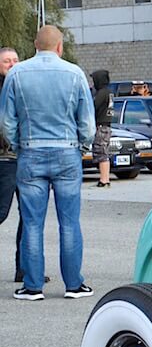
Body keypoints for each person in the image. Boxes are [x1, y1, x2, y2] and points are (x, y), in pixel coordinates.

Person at [0, 25, 95, 300]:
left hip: (31, 153)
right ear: (60, 47)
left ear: (34, 44)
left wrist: (20, 144)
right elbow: (87, 122)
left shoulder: (16, 73)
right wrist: (82, 146)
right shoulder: (74, 73)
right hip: (67, 152)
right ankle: (74, 285)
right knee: (69, 222)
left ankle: (32, 286)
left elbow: (7, 121)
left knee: (31, 222)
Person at [0, 47, 25, 282]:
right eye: (7, 60)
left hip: (26, 159)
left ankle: (24, 268)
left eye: (15, 60)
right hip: (4, 160)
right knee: (1, 212)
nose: (12, 64)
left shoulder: (24, 86)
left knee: (28, 215)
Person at [90, 70, 113, 187]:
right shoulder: (109, 92)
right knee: (105, 151)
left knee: (101, 152)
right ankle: (105, 178)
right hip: (107, 125)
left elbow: (93, 107)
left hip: (101, 125)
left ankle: (104, 180)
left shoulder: (102, 93)